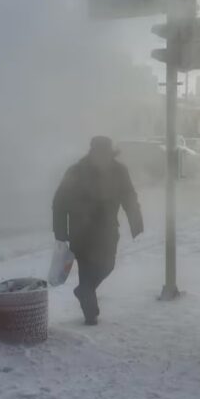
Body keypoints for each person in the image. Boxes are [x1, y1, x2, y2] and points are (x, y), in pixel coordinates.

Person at [53, 136, 143, 325]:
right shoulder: (76, 171)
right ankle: (90, 314)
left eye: (105, 153)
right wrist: (60, 233)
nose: (102, 157)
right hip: (81, 231)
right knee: (86, 271)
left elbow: (129, 197)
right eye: (98, 153)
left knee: (107, 265)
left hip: (108, 229)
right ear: (92, 152)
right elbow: (59, 203)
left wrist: (136, 223)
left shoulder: (119, 171)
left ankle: (83, 291)